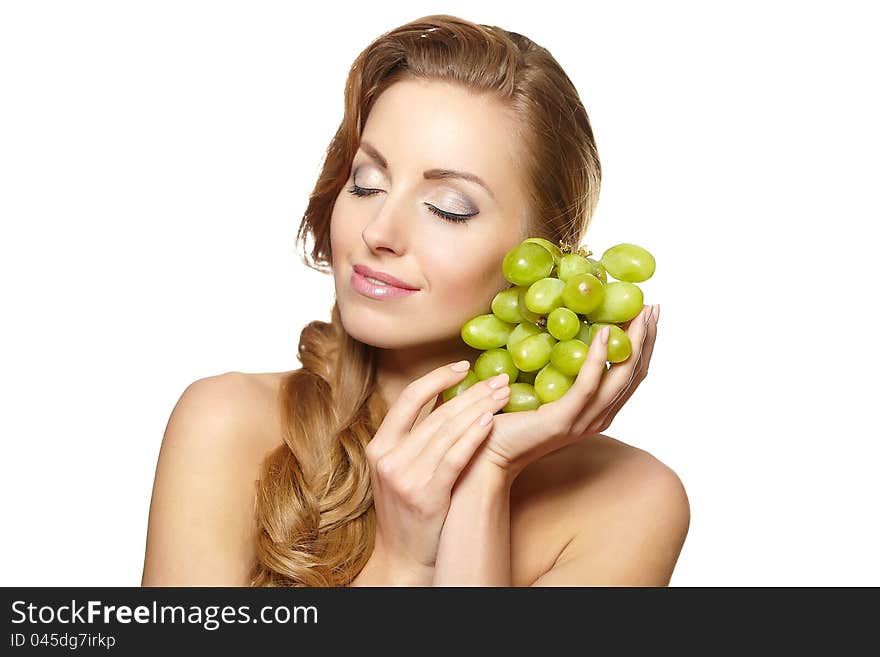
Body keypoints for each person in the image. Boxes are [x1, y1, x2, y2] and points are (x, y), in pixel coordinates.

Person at [141, 14, 689, 587]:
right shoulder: (226, 424)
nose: (379, 230)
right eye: (366, 183)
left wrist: (484, 479)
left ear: (546, 255)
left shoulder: (631, 501)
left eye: (449, 207)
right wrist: (402, 564)